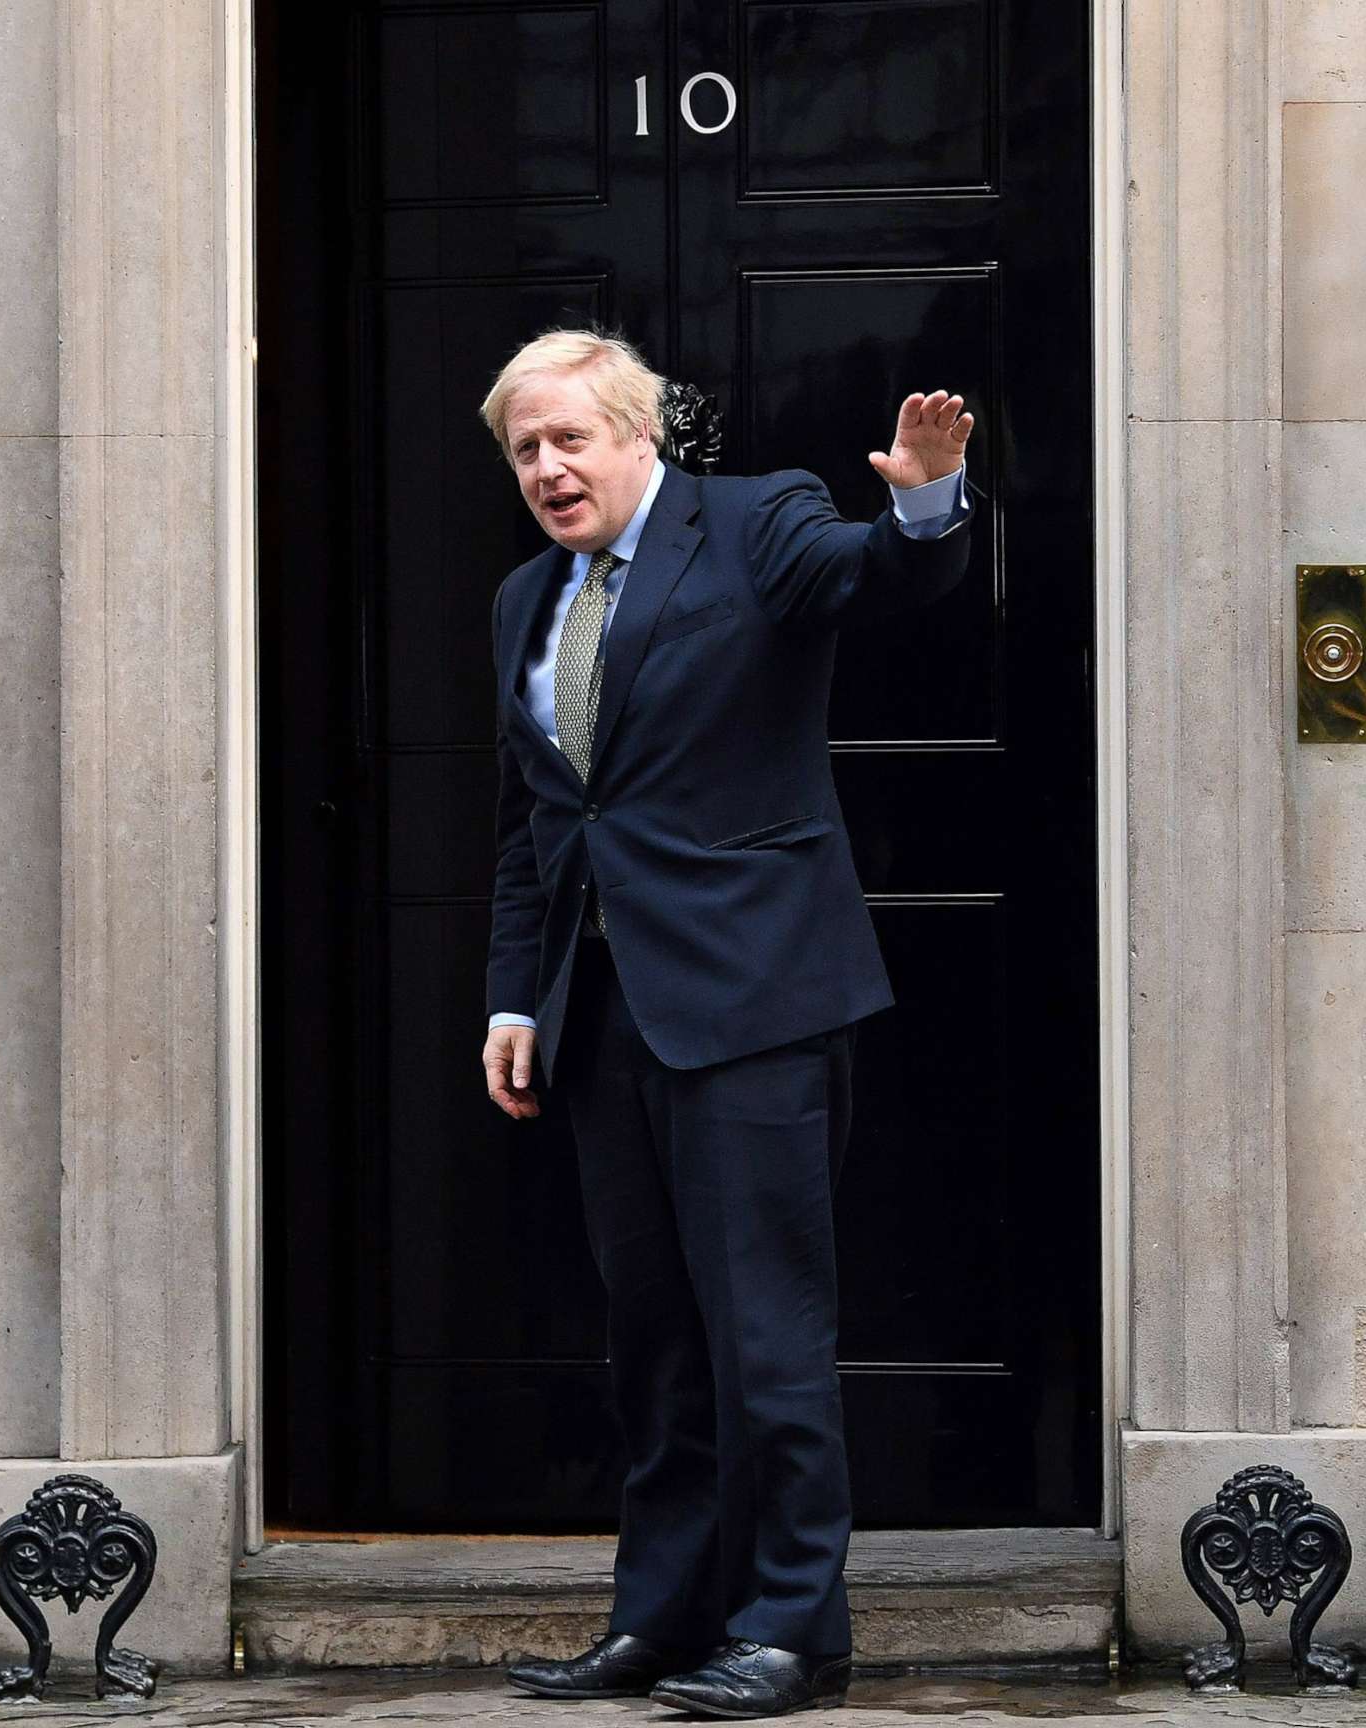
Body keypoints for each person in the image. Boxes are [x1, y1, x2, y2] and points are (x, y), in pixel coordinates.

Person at [477, 328, 974, 1718]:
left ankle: (794, 1624)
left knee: (769, 1332)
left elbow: (881, 579)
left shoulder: (757, 523)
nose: (547, 467)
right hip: (603, 1023)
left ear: (641, 434)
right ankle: (664, 1615)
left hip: (757, 1002)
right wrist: (518, 996)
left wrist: (924, 501)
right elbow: (536, 824)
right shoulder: (528, 600)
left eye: (570, 437)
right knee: (656, 1338)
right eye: (525, 447)